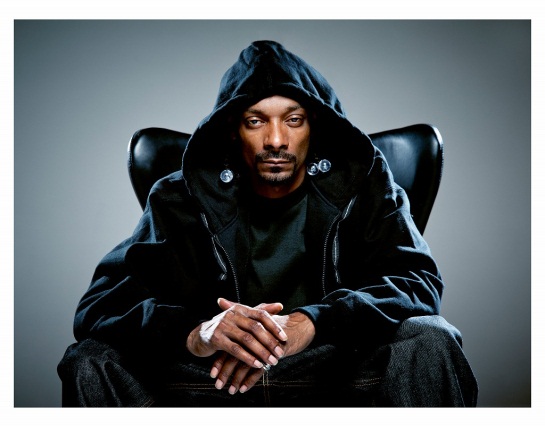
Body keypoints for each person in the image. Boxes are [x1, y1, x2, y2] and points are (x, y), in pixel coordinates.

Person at [57, 40, 478, 407]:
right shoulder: (178, 196)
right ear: (232, 131)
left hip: (334, 375)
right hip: (213, 382)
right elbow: (99, 305)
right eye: (255, 121)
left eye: (293, 120)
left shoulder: (365, 184)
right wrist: (197, 333)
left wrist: (313, 322)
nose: (276, 140)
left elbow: (418, 281)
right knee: (90, 359)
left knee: (430, 337)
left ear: (315, 127)